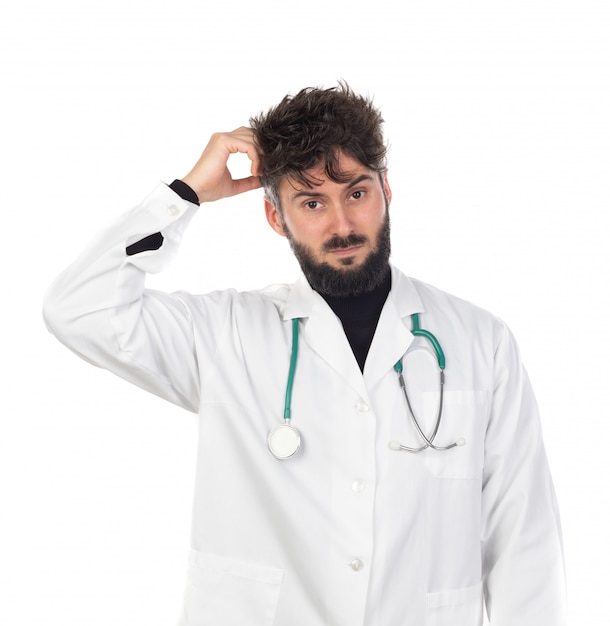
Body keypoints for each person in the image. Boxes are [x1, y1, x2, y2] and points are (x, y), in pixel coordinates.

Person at [43, 83, 566, 625]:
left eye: (357, 193)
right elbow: (77, 308)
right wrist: (186, 194)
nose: (341, 225)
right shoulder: (224, 335)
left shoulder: (481, 342)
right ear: (275, 217)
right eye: (312, 202)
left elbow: (523, 534)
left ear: (386, 189)